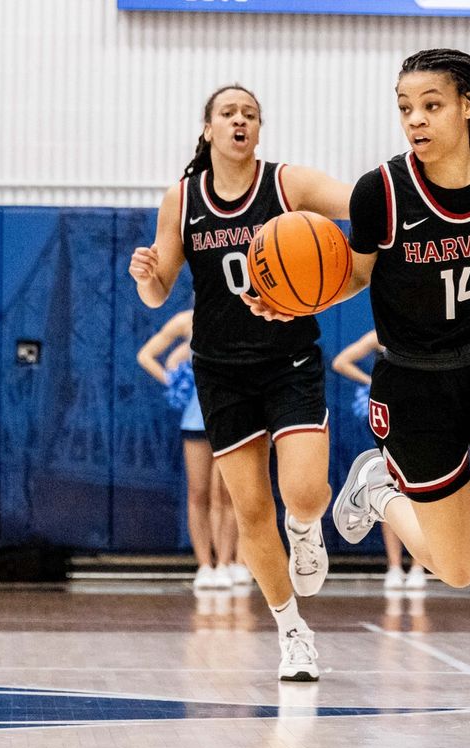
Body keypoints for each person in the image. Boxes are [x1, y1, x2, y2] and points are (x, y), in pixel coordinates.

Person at [249, 49, 470, 748]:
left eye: (431, 104)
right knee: (460, 568)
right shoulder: (380, 190)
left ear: (467, 105)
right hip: (413, 382)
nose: (415, 118)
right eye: (405, 106)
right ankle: (379, 489)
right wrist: (288, 300)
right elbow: (350, 276)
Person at [128, 83, 352, 681]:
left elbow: (363, 202)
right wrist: (146, 275)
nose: (240, 120)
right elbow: (158, 292)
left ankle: (305, 529)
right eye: (228, 113)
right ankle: (292, 631)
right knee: (251, 509)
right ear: (208, 129)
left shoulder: (288, 186)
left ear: (259, 129)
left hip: (289, 359)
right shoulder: (181, 197)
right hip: (221, 369)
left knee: (303, 493)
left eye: (250, 114)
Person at [137, 308, 248, 592]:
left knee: (226, 494)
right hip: (196, 416)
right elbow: (146, 355)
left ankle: (224, 563)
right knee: (198, 493)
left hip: (232, 415)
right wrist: (174, 383)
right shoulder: (186, 321)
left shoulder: (240, 317)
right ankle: (204, 566)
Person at [330, 329, 427, 591]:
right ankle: (394, 566)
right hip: (391, 418)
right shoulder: (380, 336)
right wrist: (369, 382)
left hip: (423, 416)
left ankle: (419, 567)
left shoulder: (428, 333)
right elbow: (340, 361)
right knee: (390, 492)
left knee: (422, 494)